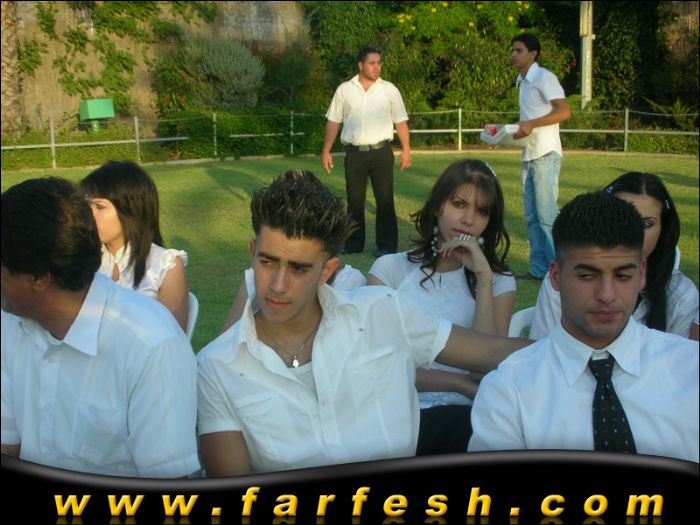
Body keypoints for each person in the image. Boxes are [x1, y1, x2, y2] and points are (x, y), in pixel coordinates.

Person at [196, 170, 530, 476]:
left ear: (328, 270)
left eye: (299, 268)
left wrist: (565, 342)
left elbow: (492, 351)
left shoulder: (380, 312)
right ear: (252, 253)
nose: (278, 285)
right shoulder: (217, 367)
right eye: (268, 262)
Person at [468, 192, 699, 462]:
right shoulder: (510, 389)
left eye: (623, 276)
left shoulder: (690, 369)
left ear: (642, 273)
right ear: (556, 276)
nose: (607, 295)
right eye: (587, 276)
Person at [1, 177, 199, 477]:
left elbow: (169, 485)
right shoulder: (9, 324)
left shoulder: (151, 344)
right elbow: (7, 445)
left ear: (40, 278)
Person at [367, 159, 515, 455]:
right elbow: (378, 367)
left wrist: (483, 279)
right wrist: (458, 383)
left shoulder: (497, 281)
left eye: (482, 211)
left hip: (469, 419)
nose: (468, 219)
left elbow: (488, 366)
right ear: (437, 206)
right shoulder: (390, 270)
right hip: (397, 413)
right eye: (459, 204)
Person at [530, 172, 699, 340]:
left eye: (647, 223)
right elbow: (543, 347)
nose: (634, 232)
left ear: (663, 228)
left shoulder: (681, 294)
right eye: (620, 219)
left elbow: (679, 354)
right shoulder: (565, 278)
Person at [321, 46, 411, 258]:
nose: (376, 67)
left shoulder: (389, 90)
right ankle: (353, 244)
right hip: (355, 154)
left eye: (379, 63)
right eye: (372, 63)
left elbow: (401, 121)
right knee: (355, 201)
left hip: (381, 153)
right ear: (360, 65)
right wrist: (326, 151)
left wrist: (406, 150)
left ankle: (387, 246)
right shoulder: (345, 90)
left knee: (385, 200)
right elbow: (333, 121)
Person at [80, 161, 190, 332]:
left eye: (99, 207)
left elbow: (173, 338)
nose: (89, 215)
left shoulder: (165, 265)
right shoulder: (79, 259)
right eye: (85, 206)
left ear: (131, 209)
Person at [510, 33, 571, 280]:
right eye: (512, 50)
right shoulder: (521, 81)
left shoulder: (544, 77)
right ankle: (539, 270)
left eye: (519, 50)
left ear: (533, 54)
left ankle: (562, 272)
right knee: (532, 217)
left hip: (546, 153)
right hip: (529, 154)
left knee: (547, 216)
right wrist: (511, 131)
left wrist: (531, 123)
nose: (514, 55)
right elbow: (528, 120)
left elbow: (564, 112)